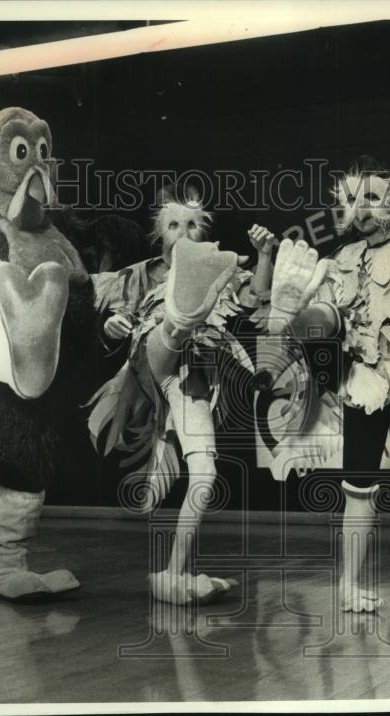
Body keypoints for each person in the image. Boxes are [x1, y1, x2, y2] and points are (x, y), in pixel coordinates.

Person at [257, 155, 390, 612]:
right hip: (331, 354)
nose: (360, 208)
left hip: (374, 373)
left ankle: (348, 586)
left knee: (359, 484)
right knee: (324, 314)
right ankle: (291, 318)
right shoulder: (338, 257)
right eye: (352, 198)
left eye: (371, 197)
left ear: (388, 204)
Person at [88, 184, 278, 605]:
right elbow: (112, 315)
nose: (183, 231)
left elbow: (255, 298)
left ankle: (174, 574)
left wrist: (264, 255)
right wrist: (112, 326)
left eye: (193, 225)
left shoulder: (222, 268)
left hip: (191, 379)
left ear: (202, 233)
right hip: (153, 364)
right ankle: (180, 314)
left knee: (205, 478)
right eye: (173, 225)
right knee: (168, 331)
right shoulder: (141, 275)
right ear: (160, 235)